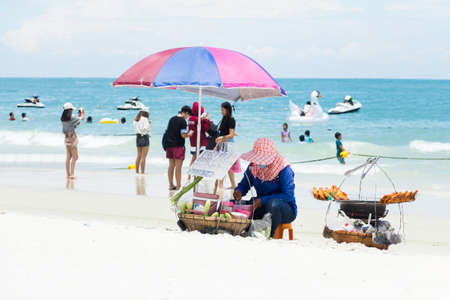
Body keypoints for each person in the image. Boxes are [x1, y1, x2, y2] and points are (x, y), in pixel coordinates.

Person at [233, 138, 297, 238]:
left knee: (273, 204)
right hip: (261, 206)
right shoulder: (253, 166)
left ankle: (268, 235)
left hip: (284, 209)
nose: (259, 162)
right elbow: (245, 184)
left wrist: (263, 200)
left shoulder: (284, 169)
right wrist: (239, 191)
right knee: (237, 205)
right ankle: (244, 230)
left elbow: (288, 195)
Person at [165, 105, 193, 190]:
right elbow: (183, 135)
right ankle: (178, 186)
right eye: (188, 115)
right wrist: (190, 134)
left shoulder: (172, 119)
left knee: (171, 165)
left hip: (169, 145)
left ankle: (170, 185)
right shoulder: (183, 121)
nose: (187, 117)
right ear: (186, 113)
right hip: (178, 146)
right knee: (178, 167)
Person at [216, 101, 240, 189]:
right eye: (221, 109)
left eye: (222, 110)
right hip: (222, 143)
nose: (221, 111)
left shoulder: (231, 119)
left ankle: (223, 185)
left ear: (227, 109)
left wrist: (221, 138)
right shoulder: (224, 118)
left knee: (225, 165)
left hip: (228, 144)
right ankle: (230, 185)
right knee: (222, 165)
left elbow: (231, 134)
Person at [61, 102, 84, 179]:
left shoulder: (63, 118)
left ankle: (68, 174)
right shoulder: (72, 117)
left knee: (68, 156)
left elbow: (73, 125)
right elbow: (81, 118)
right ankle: (72, 174)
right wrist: (82, 111)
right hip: (72, 138)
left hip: (66, 138)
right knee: (75, 157)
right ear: (70, 110)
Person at [188, 101, 211, 167]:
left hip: (193, 142)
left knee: (194, 158)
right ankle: (195, 175)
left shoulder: (190, 119)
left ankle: (189, 176)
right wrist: (207, 120)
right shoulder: (198, 120)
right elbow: (206, 128)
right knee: (200, 159)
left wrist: (202, 120)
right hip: (199, 142)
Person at [133, 107, 151, 174]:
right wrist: (149, 123)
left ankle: (137, 171)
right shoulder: (145, 119)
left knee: (138, 156)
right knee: (143, 157)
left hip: (138, 137)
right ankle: (142, 172)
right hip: (144, 137)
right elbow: (146, 129)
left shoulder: (136, 119)